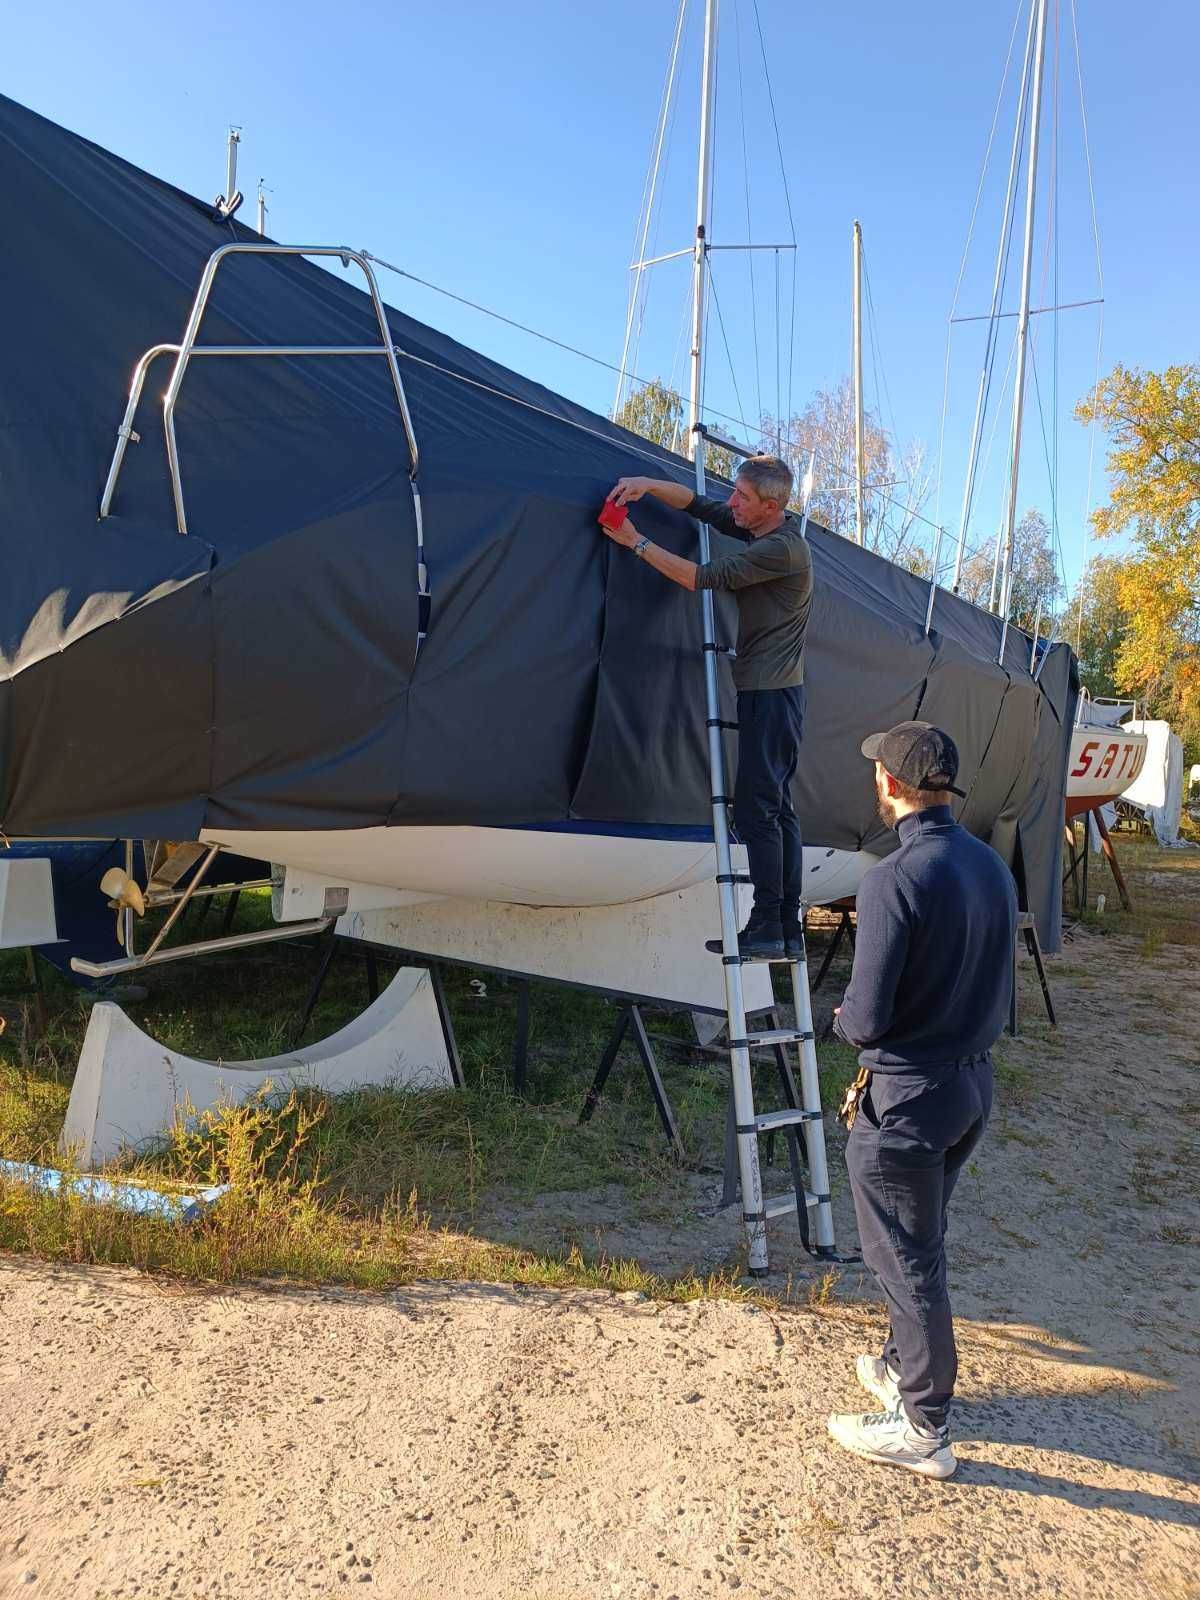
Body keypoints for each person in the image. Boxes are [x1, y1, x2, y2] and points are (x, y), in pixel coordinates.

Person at [826, 721, 1017, 1480]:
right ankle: (904, 1364)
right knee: (921, 1239)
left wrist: (831, 1021)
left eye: (878, 770)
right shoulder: (988, 867)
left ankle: (923, 1424)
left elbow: (865, 1018)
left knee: (904, 1257)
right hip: (970, 1085)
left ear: (891, 786)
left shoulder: (892, 879)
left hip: (906, 1097)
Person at [601, 457, 812, 959]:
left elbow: (699, 577)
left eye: (741, 497)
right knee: (777, 808)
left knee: (760, 809)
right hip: (776, 692)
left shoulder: (780, 551)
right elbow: (699, 506)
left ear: (771, 506)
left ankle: (768, 923)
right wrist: (647, 484)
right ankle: (785, 926)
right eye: (734, 492)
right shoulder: (761, 529)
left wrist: (636, 541)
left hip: (770, 694)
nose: (731, 502)